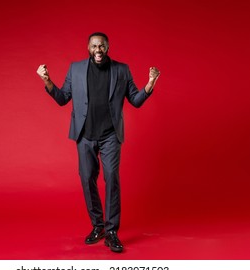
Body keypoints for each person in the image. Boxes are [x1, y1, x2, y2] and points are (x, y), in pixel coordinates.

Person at [36, 32, 160, 253]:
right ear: (88, 47)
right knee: (87, 178)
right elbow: (63, 98)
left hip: (110, 135)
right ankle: (98, 226)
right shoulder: (75, 69)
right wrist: (47, 80)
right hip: (85, 135)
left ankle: (112, 231)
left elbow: (135, 101)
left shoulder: (121, 70)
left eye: (102, 45)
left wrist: (150, 84)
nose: (98, 49)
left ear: (108, 47)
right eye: (94, 46)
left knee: (112, 177)